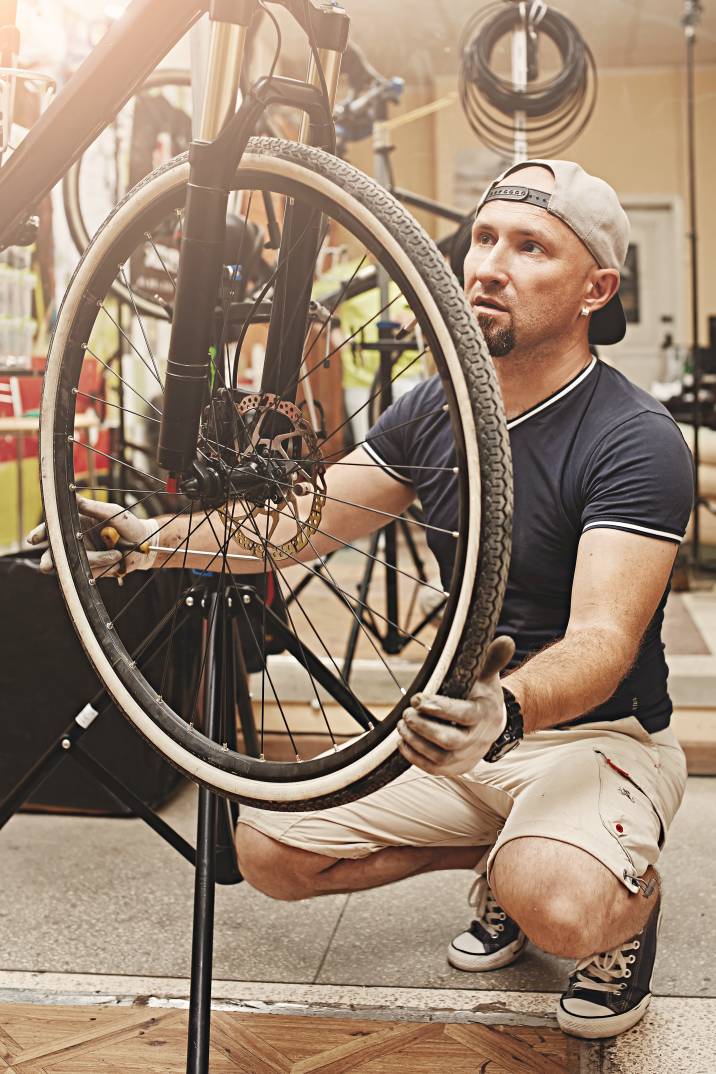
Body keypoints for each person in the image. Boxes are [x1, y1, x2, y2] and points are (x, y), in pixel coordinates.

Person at [30, 159, 694, 1040]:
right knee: (264, 847)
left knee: (561, 905)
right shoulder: (432, 410)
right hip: (465, 737)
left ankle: (616, 904)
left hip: (593, 736)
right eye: (484, 238)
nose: (489, 263)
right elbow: (299, 525)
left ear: (594, 288)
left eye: (531, 246)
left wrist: (507, 705)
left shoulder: (635, 438)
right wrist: (149, 541)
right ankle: (510, 860)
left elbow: (603, 639)